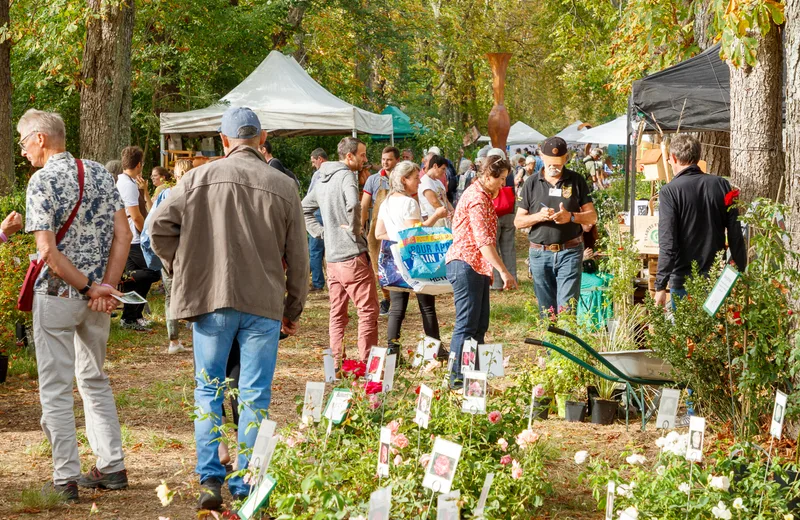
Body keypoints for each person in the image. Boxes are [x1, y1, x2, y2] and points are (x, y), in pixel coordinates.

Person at [150, 106, 308, 509]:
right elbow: (300, 256)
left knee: (209, 390)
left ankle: (210, 481)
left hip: (211, 299)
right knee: (255, 394)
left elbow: (157, 227)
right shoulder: (283, 184)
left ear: (223, 141)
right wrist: (293, 307)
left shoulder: (195, 178)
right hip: (263, 302)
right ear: (262, 138)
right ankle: (246, 481)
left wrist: (181, 267)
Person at [19, 108, 131, 501]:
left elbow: (47, 251)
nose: (22, 151)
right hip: (96, 298)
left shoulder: (41, 181)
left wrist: (89, 288)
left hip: (60, 296)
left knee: (55, 387)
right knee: (94, 379)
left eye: (23, 141)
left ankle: (66, 476)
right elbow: (124, 234)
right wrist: (107, 287)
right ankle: (112, 465)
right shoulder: (100, 172)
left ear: (40, 139)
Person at [302, 137, 379, 366]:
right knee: (368, 313)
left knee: (337, 314)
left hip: (333, 260)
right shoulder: (346, 175)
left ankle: (336, 364)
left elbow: (303, 208)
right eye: (362, 155)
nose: (365, 160)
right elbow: (354, 205)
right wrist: (355, 230)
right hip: (352, 257)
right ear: (349, 156)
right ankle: (368, 365)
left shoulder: (322, 179)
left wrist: (323, 233)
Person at [445, 155, 518, 389]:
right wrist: (504, 271)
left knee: (479, 325)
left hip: (476, 267)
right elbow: (484, 242)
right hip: (465, 265)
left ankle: (475, 378)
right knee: (466, 325)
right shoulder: (477, 198)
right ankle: (456, 379)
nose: (503, 185)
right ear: (487, 176)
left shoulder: (484, 196)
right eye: (501, 179)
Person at [654, 134, 746, 307]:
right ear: (698, 157)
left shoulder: (669, 191)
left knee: (686, 333)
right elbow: (735, 232)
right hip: (715, 277)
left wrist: (660, 286)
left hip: (684, 280)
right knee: (716, 332)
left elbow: (668, 243)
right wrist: (741, 270)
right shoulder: (721, 184)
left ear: (674, 158)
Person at [514, 136, 597, 316]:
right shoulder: (531, 183)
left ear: (566, 158)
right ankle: (550, 343)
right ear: (541, 157)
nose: (554, 167)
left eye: (558, 163)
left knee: (566, 310)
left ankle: (566, 342)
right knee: (547, 312)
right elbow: (518, 221)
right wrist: (538, 217)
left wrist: (571, 217)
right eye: (551, 163)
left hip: (570, 252)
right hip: (539, 254)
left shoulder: (576, 180)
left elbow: (592, 216)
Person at [374, 161, 441, 357]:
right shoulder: (409, 203)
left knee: (397, 309)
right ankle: (433, 351)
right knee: (427, 307)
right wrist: (436, 217)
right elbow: (415, 235)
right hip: (415, 260)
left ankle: (393, 353)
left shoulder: (386, 202)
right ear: (404, 180)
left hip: (395, 259)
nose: (419, 182)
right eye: (415, 179)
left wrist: (396, 238)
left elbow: (379, 233)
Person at [140, 159, 193, 355]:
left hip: (168, 253)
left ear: (176, 175)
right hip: (191, 253)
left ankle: (174, 340)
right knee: (195, 292)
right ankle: (199, 336)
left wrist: (157, 251)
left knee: (171, 296)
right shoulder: (198, 194)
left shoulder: (166, 194)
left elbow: (150, 225)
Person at [116, 146, 161, 330]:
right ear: (139, 165)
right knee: (152, 272)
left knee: (134, 278)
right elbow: (135, 216)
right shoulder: (127, 185)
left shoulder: (127, 181)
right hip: (134, 240)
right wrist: (146, 236)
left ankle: (132, 316)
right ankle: (130, 316)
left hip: (127, 239)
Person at [361, 146, 399, 315]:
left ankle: (398, 299)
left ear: (396, 160)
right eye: (383, 159)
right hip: (379, 227)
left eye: (389, 159)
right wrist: (361, 224)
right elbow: (364, 204)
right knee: (379, 265)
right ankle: (386, 299)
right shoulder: (373, 180)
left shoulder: (401, 178)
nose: (385, 163)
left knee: (398, 264)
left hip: (397, 226)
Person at [308, 148, 328, 291]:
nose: (313, 165)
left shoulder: (318, 175)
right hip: (332, 215)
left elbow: (310, 196)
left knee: (315, 251)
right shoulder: (340, 173)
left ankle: (317, 283)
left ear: (320, 159)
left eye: (314, 161)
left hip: (319, 214)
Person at [418, 154, 453, 228]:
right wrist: (448, 214)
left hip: (444, 219)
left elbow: (445, 200)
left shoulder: (438, 182)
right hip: (433, 221)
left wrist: (453, 211)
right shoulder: (425, 182)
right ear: (435, 166)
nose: (444, 172)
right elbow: (434, 202)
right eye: (443, 169)